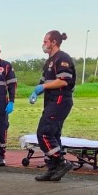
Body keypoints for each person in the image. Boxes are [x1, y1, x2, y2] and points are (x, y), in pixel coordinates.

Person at [29, 30, 76, 182]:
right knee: (53, 134)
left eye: (45, 41)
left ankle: (61, 162)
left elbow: (63, 81)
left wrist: (43, 88)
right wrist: (37, 90)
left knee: (44, 133)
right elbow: (44, 82)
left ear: (53, 42)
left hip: (61, 99)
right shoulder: (49, 61)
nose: (43, 45)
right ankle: (52, 168)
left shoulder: (62, 58)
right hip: (51, 100)